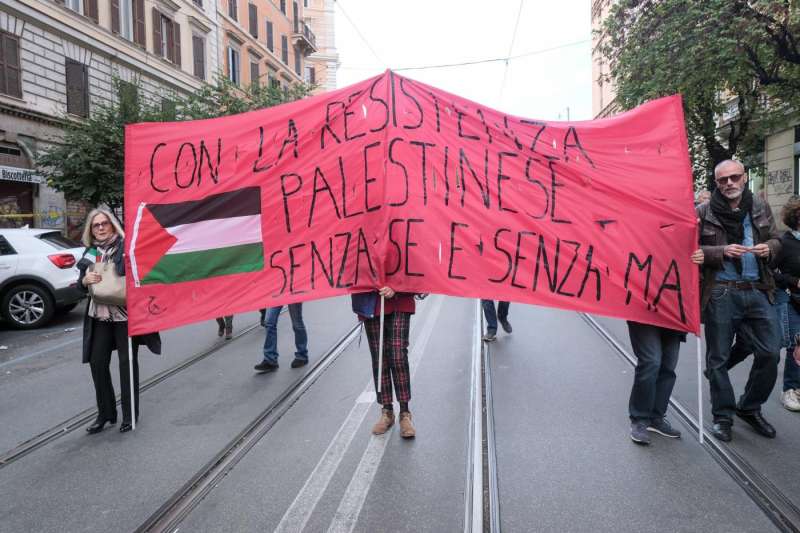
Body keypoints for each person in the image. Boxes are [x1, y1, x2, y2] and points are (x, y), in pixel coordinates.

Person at [695, 159, 781, 442]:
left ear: (744, 178)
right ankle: (723, 416)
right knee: (718, 358)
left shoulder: (759, 205)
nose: (729, 183)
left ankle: (749, 407)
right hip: (721, 290)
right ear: (716, 183)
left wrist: (768, 248)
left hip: (758, 288)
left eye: (734, 177)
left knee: (769, 351)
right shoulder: (703, 211)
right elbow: (691, 250)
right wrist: (720, 251)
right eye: (723, 180)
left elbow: (777, 240)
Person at [77, 208, 160, 434]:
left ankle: (129, 414)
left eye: (105, 223)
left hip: (125, 316)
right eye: (96, 225)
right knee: (97, 363)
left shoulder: (126, 247)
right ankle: (105, 414)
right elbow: (78, 287)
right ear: (91, 230)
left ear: (113, 225)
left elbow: (139, 273)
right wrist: (85, 280)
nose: (101, 228)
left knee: (127, 363)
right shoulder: (90, 252)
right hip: (99, 316)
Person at [352, 287, 416, 438]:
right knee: (379, 357)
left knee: (398, 354)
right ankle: (387, 411)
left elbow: (412, 266)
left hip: (399, 299)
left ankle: (404, 413)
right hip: (371, 301)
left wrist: (396, 286)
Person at [254, 303, 308, 373]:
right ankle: (270, 359)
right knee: (269, 322)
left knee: (297, 323)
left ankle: (302, 355)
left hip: (293, 293)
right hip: (276, 293)